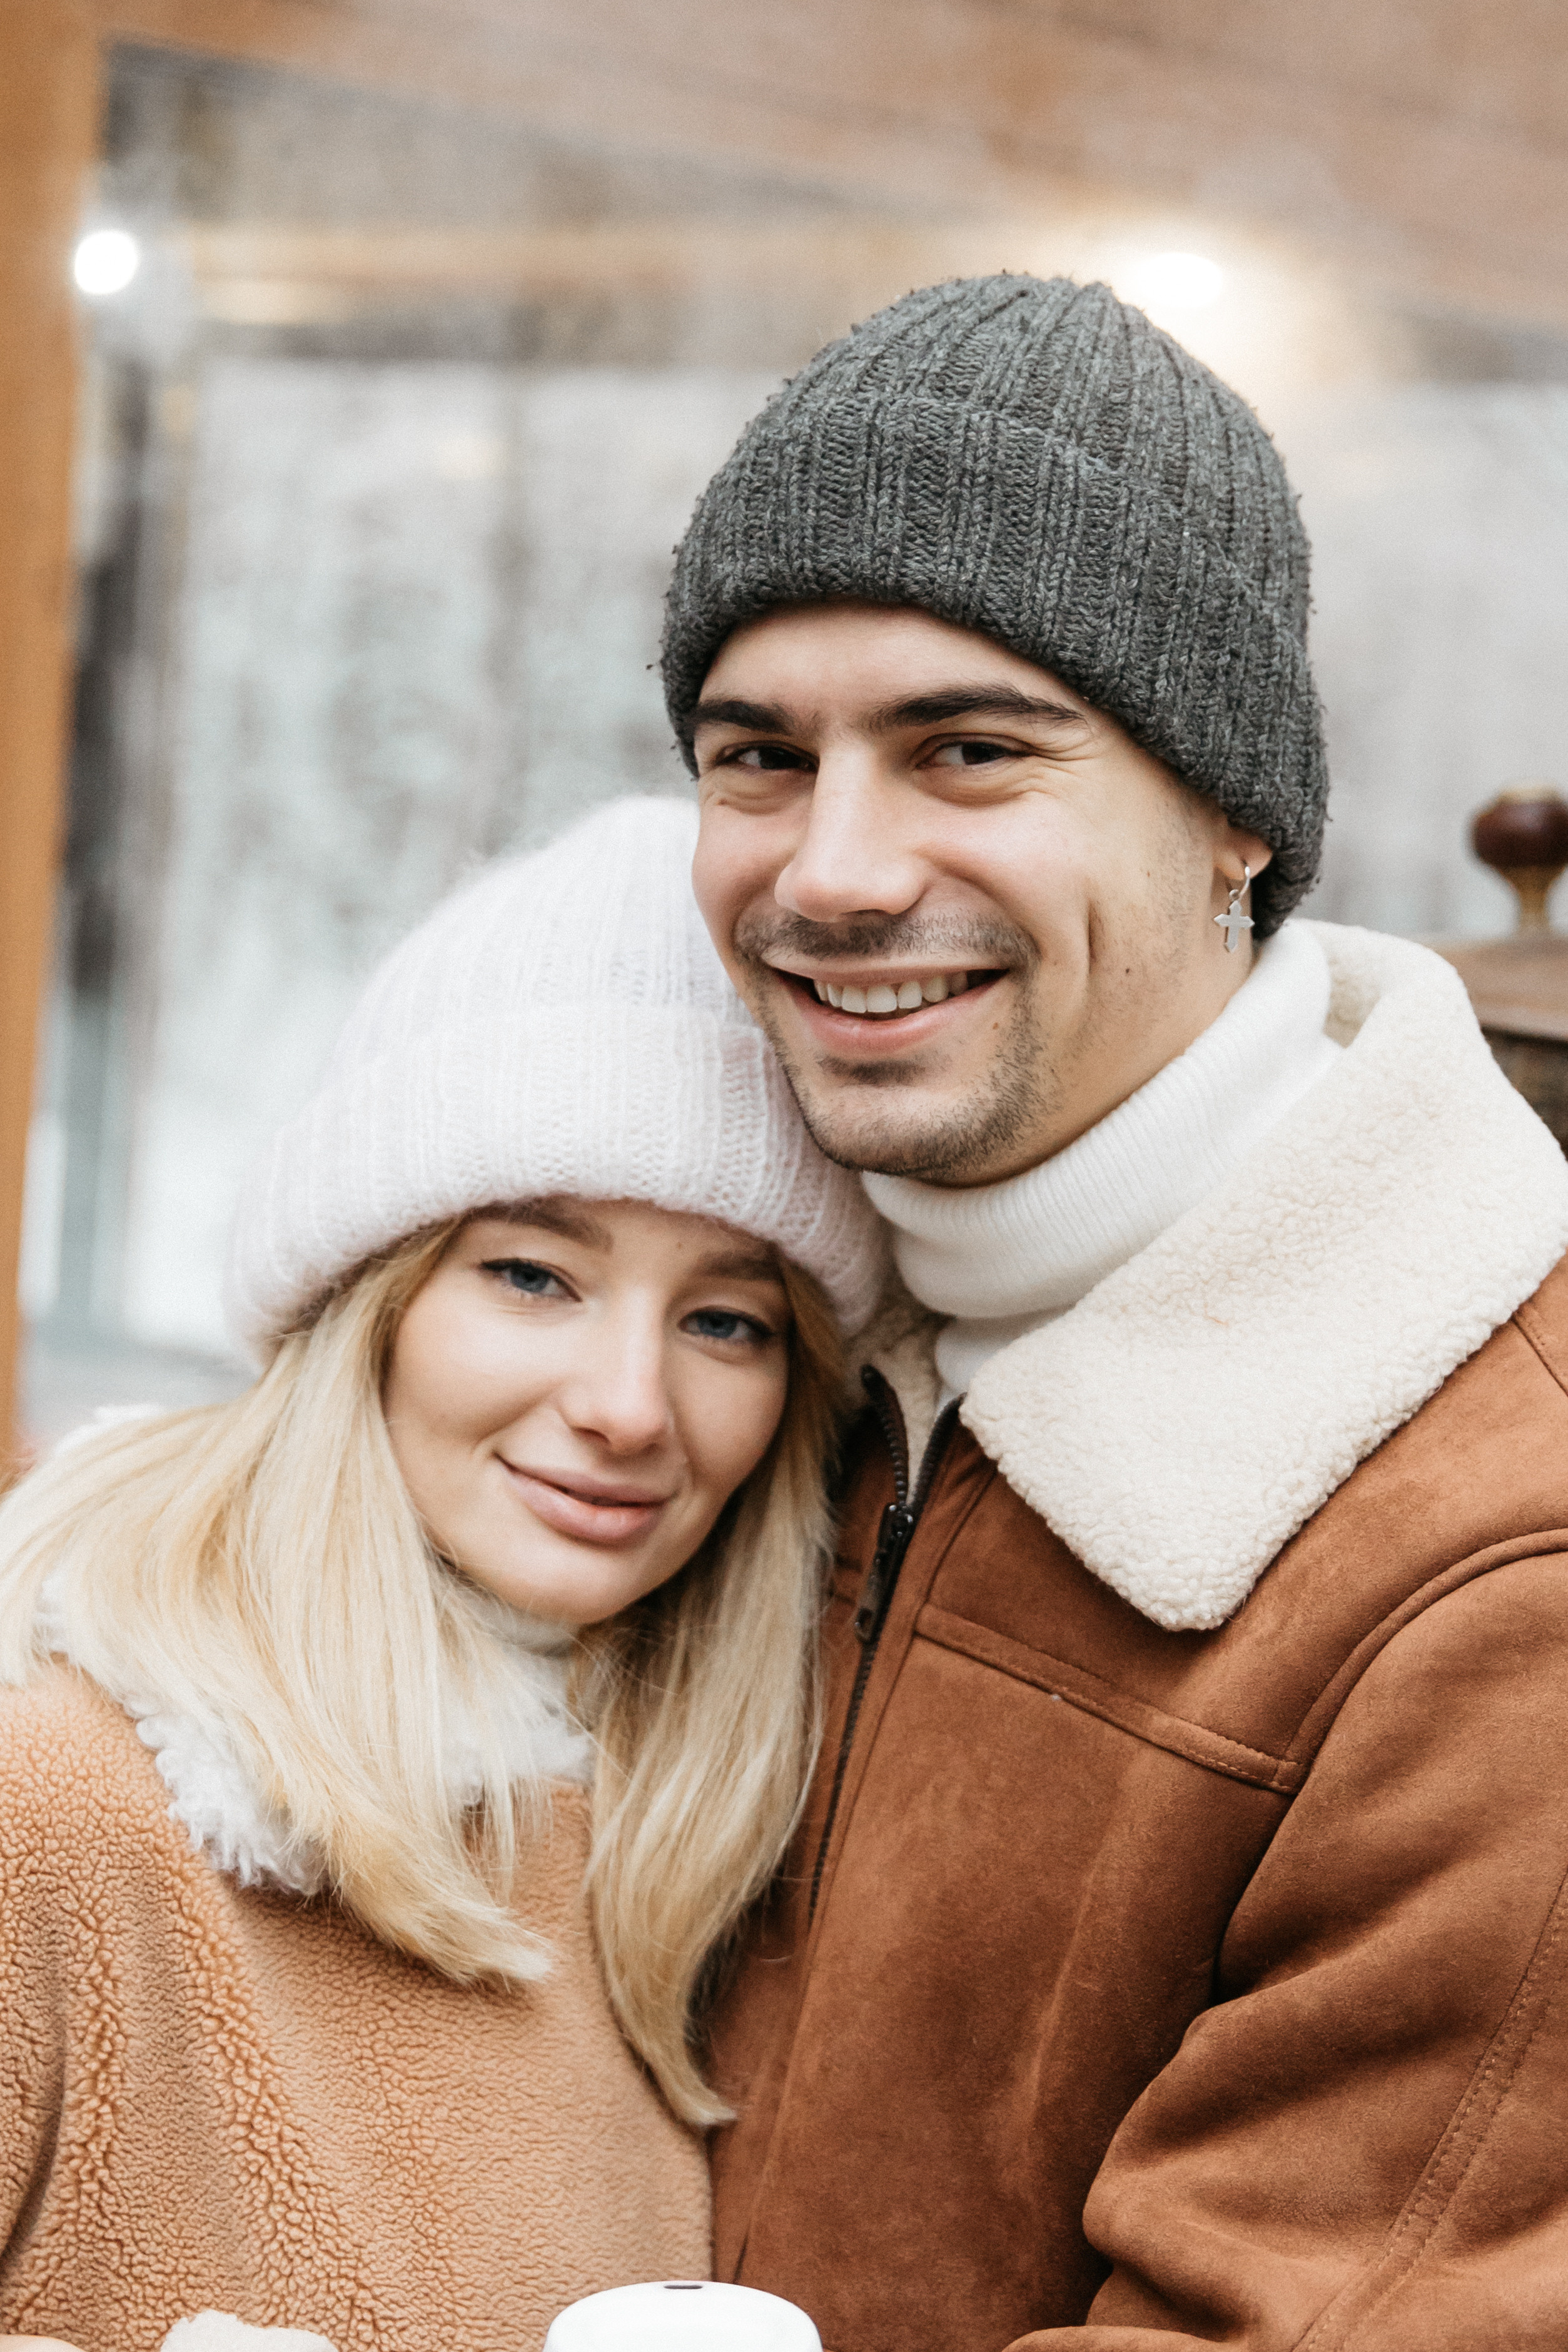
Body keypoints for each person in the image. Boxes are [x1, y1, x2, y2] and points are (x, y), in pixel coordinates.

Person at [659, 274, 1568, 2348]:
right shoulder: (732, 1337)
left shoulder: (1487, 1584)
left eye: (968, 751)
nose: (836, 869)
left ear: (1233, 810)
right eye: (755, 757)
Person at [0, 798, 881, 2352]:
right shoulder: (56, 1800)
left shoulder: (692, 1847)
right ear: (372, 1303)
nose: (627, 1402)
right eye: (533, 1273)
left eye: (727, 1320)